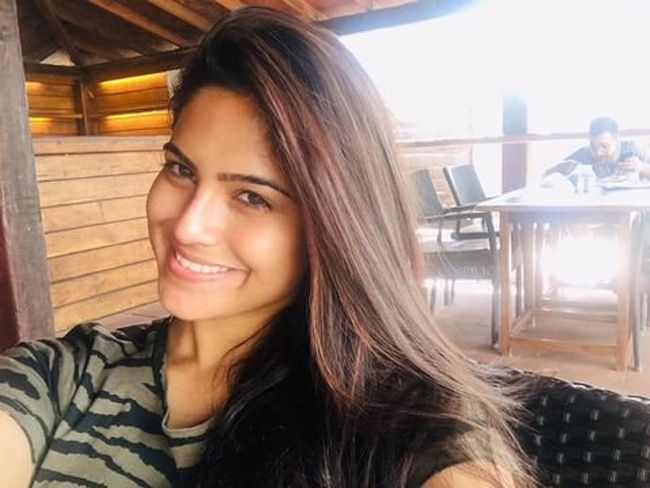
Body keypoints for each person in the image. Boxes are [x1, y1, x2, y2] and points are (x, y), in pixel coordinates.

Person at [0, 8, 534, 488]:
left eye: (252, 197)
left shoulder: (404, 416)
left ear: (333, 226)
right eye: (181, 169)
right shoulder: (64, 374)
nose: (189, 226)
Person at [544, 116, 650, 179]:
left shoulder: (633, 150)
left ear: (616, 139)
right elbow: (545, 175)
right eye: (593, 146)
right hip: (599, 207)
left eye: (604, 146)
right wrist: (559, 169)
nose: (598, 153)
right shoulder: (584, 154)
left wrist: (643, 168)